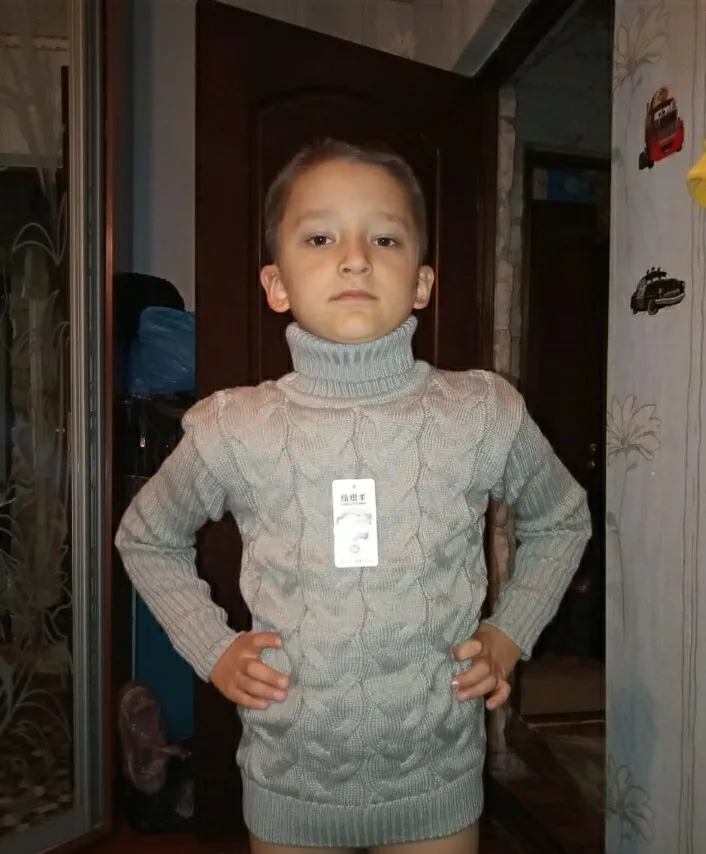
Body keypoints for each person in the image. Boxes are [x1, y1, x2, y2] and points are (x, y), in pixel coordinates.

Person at [115, 139, 592, 854]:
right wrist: (212, 648)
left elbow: (562, 519)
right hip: (291, 782)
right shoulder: (233, 428)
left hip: (436, 779)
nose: (355, 258)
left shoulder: (482, 414)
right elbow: (146, 537)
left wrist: (510, 631)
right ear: (275, 284)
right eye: (320, 237)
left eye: (385, 238)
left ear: (422, 282)